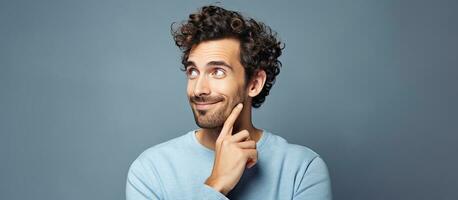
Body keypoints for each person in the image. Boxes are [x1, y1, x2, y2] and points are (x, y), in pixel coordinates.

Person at [126, 5, 332, 200]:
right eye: (193, 71)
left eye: (217, 72)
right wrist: (217, 184)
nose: (198, 89)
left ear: (254, 83)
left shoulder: (302, 169)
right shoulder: (150, 170)